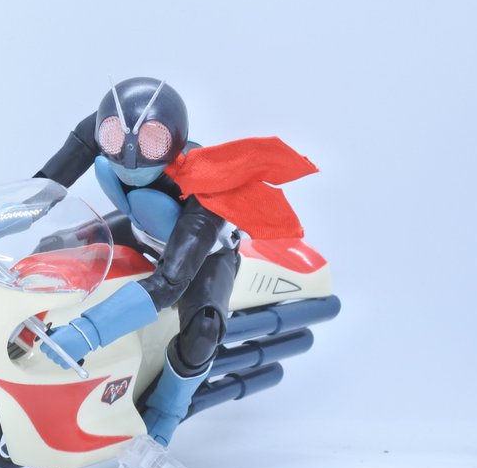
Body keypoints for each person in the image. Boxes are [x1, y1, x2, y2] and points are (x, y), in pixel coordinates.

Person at [34, 77, 316, 446]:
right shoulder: (103, 130)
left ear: (175, 139)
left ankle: (167, 409)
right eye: (115, 139)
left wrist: (88, 332)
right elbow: (46, 187)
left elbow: (170, 282)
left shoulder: (207, 184)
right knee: (55, 245)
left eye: (152, 141)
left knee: (204, 329)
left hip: (203, 255)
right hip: (140, 228)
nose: (129, 156)